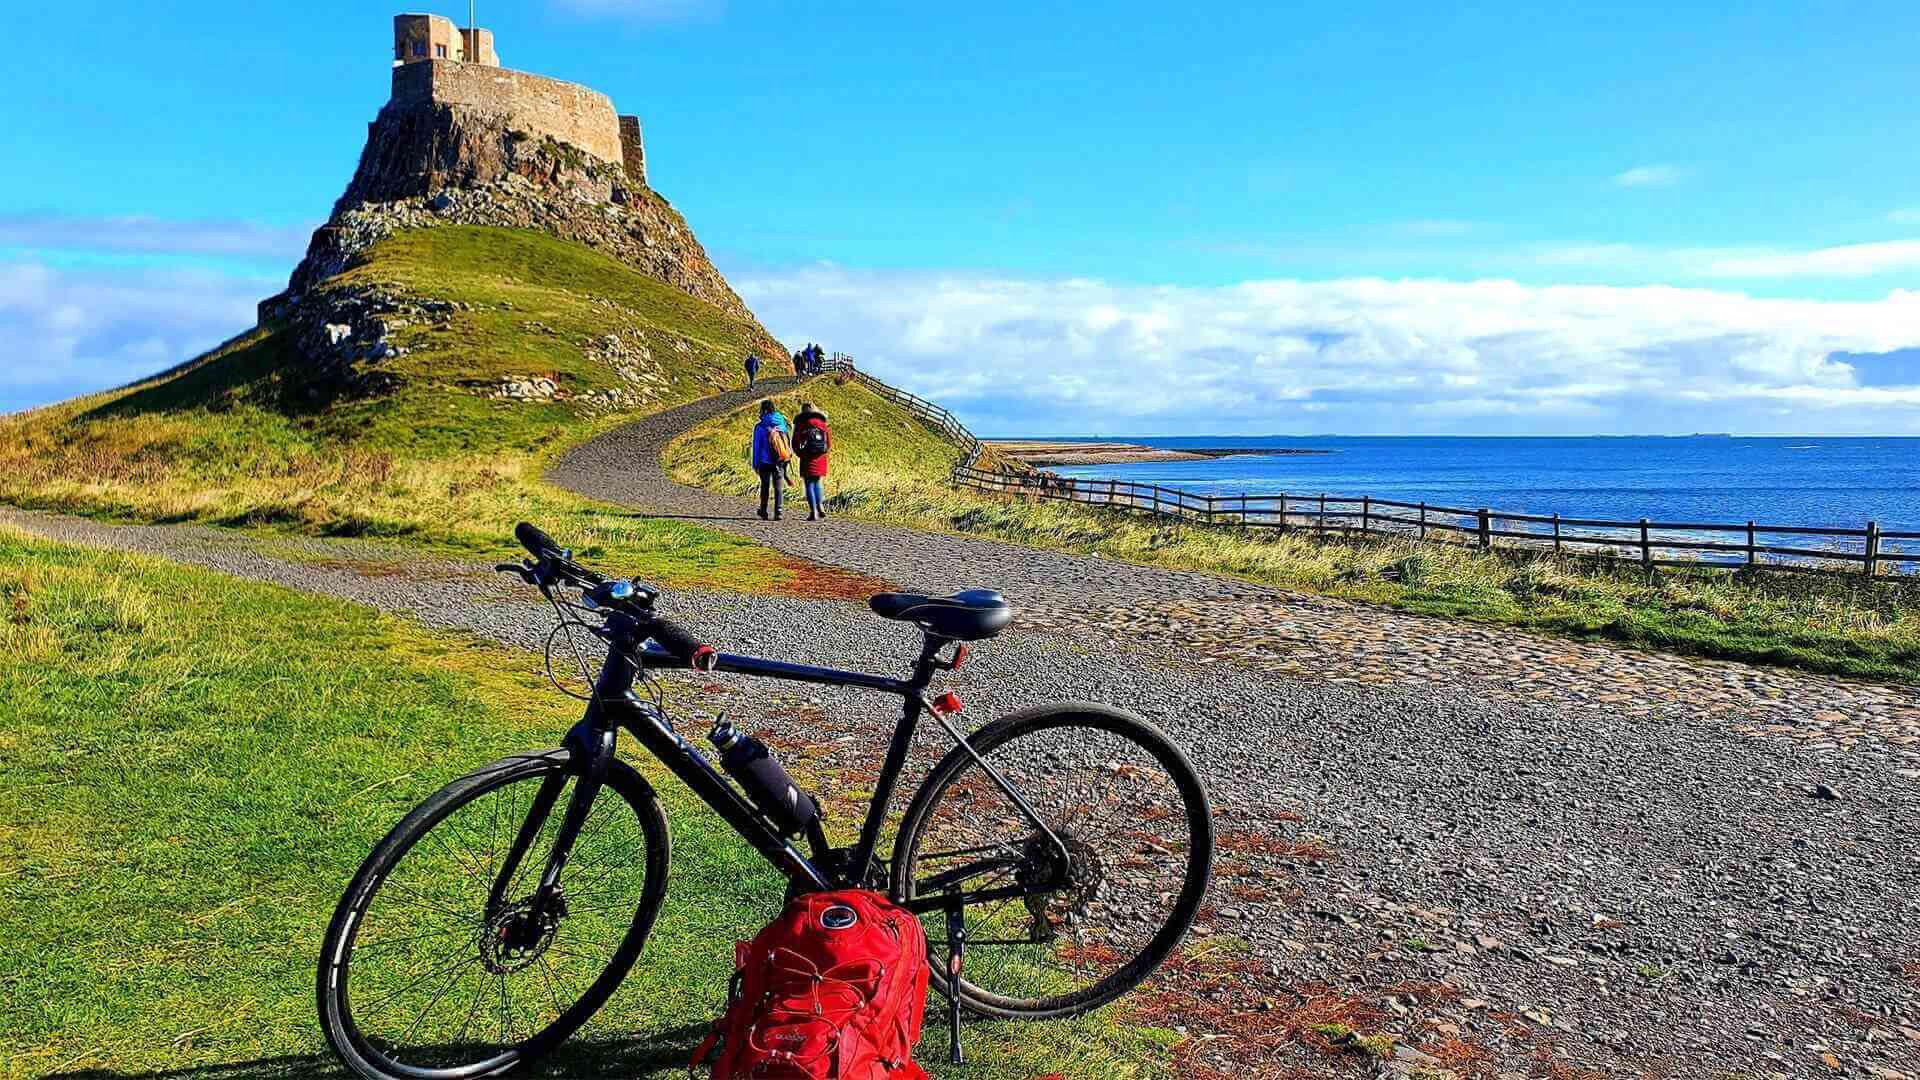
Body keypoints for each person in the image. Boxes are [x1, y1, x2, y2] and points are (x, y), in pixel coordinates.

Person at [749, 399, 793, 520]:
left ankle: (763, 511)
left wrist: (755, 464)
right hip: (780, 460)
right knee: (778, 487)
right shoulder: (782, 424)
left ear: (764, 410)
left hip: (765, 461)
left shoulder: (760, 427)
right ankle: (778, 512)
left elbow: (756, 447)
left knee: (765, 486)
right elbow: (786, 442)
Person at [792, 400, 832, 520]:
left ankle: (813, 511)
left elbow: (794, 443)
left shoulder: (801, 424)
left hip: (807, 457)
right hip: (820, 458)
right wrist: (823, 453)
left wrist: (800, 454)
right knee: (818, 482)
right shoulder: (822, 423)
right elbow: (828, 444)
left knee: (809, 484)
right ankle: (821, 508)